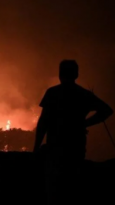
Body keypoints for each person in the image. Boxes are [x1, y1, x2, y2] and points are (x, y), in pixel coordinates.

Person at [33, 60, 113, 204]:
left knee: (54, 190)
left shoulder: (53, 93)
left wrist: (36, 146)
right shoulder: (83, 94)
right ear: (76, 74)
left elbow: (43, 122)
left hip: (55, 148)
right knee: (73, 189)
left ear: (60, 74)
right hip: (76, 148)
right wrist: (84, 123)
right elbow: (107, 110)